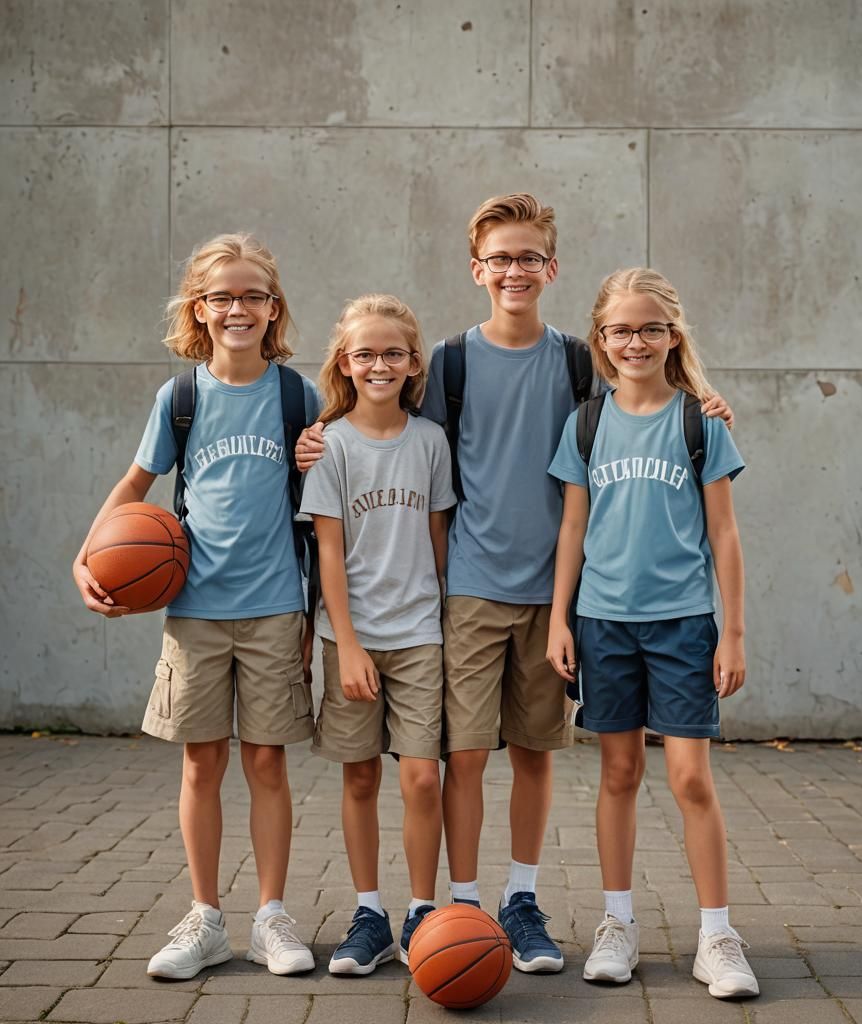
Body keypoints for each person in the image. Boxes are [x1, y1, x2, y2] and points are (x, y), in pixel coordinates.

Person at [297, 194, 733, 973]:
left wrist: (705, 396)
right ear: (477, 270)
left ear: (551, 268)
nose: (514, 270)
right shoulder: (452, 362)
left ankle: (522, 899)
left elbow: (645, 402)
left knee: (535, 752)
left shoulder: (576, 359)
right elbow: (380, 411)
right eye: (500, 258)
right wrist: (316, 432)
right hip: (467, 587)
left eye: (529, 257)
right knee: (464, 757)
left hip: (560, 598)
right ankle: (461, 904)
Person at [72, 234, 318, 980]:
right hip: (195, 608)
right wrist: (85, 559)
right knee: (201, 763)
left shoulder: (296, 394)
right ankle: (207, 918)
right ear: (199, 309)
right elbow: (134, 487)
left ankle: (272, 915)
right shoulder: (180, 397)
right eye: (222, 297)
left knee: (268, 762)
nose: (237, 308)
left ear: (273, 309)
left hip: (277, 606)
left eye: (252, 296)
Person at [546, 267, 758, 998]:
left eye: (650, 328)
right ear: (601, 341)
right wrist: (558, 621)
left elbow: (725, 535)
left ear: (673, 336)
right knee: (618, 774)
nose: (635, 341)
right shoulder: (587, 422)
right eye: (620, 330)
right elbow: (573, 526)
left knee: (691, 777)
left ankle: (717, 936)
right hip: (603, 623)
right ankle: (617, 924)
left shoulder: (701, 421)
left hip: (682, 624)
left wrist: (732, 633)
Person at [300, 294, 455, 975]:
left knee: (422, 777)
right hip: (352, 642)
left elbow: (439, 539)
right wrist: (349, 642)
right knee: (360, 777)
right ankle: (369, 913)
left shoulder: (430, 441)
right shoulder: (329, 443)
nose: (379, 364)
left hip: (420, 634)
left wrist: (447, 623)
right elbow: (328, 554)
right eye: (365, 353)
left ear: (414, 361)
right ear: (345, 361)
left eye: (393, 352)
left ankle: (423, 910)